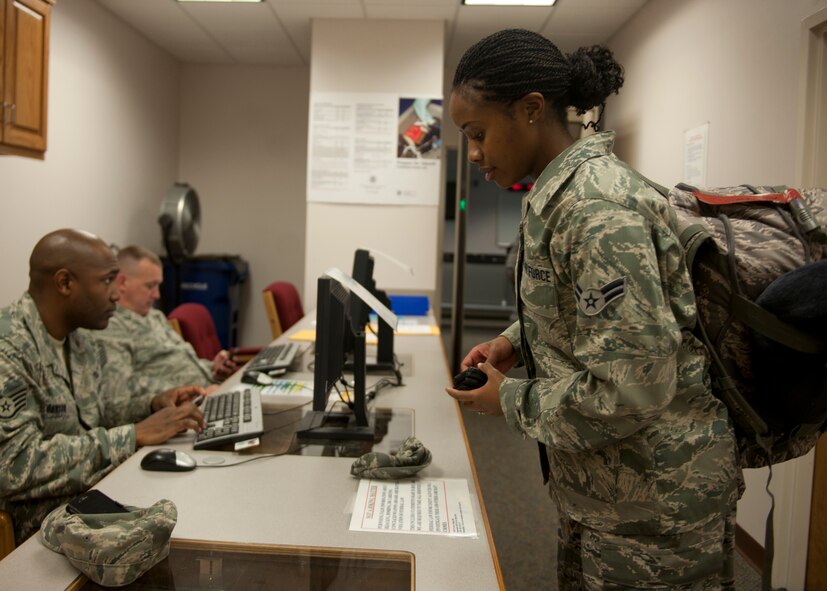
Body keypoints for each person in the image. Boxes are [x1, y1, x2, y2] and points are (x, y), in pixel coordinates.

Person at [444, 29, 739, 590]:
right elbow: (581, 306)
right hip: (607, 492)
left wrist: (507, 397)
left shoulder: (596, 208)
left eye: (478, 133)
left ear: (531, 110)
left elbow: (631, 388)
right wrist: (514, 340)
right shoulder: (563, 194)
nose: (475, 152)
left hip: (653, 510)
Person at [0, 229, 206, 545]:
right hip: (35, 530)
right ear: (65, 283)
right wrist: (132, 436)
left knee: (195, 506)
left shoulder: (80, 338)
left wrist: (151, 404)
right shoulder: (9, 349)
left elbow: (98, 409)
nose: (115, 294)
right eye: (107, 280)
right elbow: (17, 467)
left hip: (92, 497)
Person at [96, 245, 237, 397]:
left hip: (210, 389)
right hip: (182, 406)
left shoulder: (154, 316)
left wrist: (212, 368)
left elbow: (180, 360)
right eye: (150, 286)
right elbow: (122, 389)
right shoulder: (111, 326)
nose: (157, 295)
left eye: (158, 286)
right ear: (122, 282)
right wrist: (191, 393)